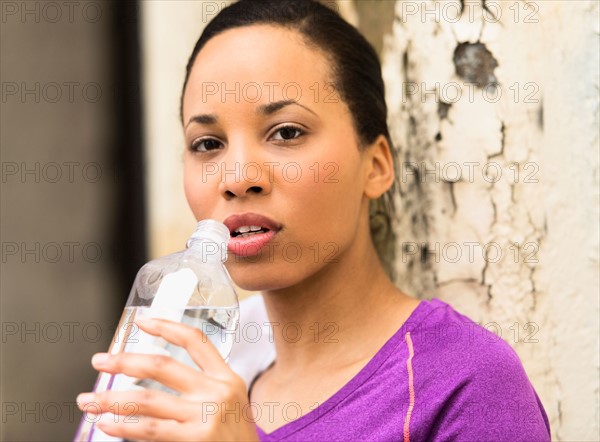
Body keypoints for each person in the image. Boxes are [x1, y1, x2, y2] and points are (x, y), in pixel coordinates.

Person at [76, 0, 551, 440]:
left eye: (286, 132)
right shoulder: (180, 363)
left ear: (377, 165)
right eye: (207, 144)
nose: (237, 178)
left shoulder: (463, 382)